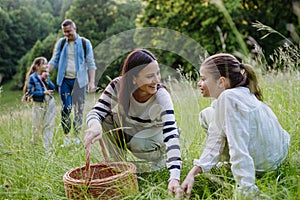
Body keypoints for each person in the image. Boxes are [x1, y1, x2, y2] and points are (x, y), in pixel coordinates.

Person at [181, 53, 290, 199]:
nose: (199, 84)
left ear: (221, 82)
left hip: (261, 164)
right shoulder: (245, 94)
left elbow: (238, 147)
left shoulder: (229, 98)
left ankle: (236, 171)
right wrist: (193, 173)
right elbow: (215, 140)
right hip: (276, 157)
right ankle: (226, 164)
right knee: (208, 113)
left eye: (203, 79)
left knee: (207, 115)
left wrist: (248, 190)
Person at [84, 49, 183, 197]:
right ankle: (120, 170)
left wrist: (174, 177)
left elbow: (171, 134)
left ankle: (159, 162)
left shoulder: (161, 96)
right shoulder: (118, 86)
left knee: (137, 144)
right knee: (104, 118)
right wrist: (95, 125)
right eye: (150, 76)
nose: (156, 80)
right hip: (134, 131)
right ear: (133, 78)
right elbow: (96, 112)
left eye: (157, 73)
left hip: (155, 136)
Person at [48, 19, 97, 146]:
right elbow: (54, 59)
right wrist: (45, 72)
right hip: (64, 81)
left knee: (78, 110)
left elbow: (91, 63)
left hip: (80, 82)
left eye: (69, 31)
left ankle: (75, 137)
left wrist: (91, 82)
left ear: (75, 29)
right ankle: (66, 137)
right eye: (64, 32)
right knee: (66, 108)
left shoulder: (85, 43)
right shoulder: (62, 42)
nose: (67, 34)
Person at [27, 57, 56, 155]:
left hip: (49, 104)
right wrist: (43, 92)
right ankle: (34, 147)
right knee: (36, 126)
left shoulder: (45, 76)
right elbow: (30, 93)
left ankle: (48, 149)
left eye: (47, 64)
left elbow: (53, 88)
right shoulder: (32, 78)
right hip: (38, 104)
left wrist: (47, 79)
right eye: (44, 64)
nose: (46, 66)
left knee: (48, 126)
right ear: (37, 66)